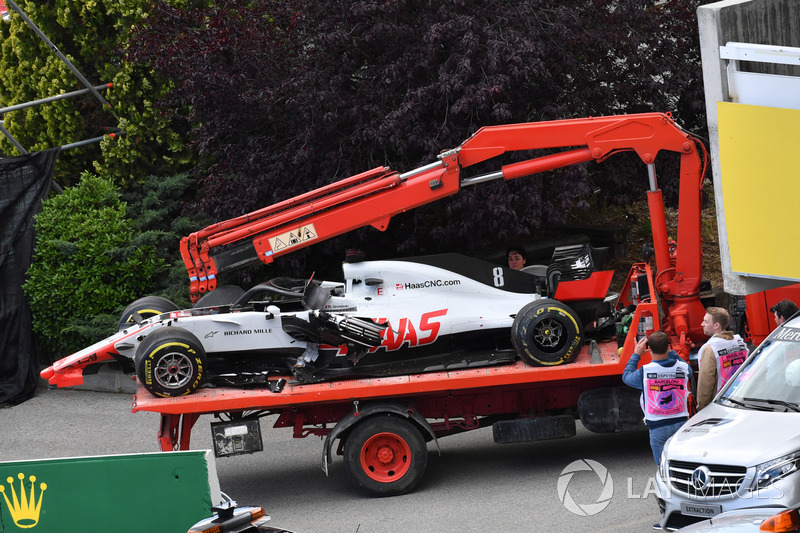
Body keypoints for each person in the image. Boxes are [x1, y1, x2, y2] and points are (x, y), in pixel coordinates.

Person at [622, 331, 692, 467]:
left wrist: (636, 354)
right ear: (668, 347)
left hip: (657, 426)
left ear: (649, 349)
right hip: (680, 422)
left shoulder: (645, 371)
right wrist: (672, 353)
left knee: (663, 468)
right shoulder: (683, 368)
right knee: (682, 467)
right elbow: (688, 369)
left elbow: (626, 377)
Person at [696, 307, 748, 411]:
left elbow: (705, 383)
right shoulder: (740, 343)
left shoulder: (710, 349)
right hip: (742, 400)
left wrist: (702, 408)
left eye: (706, 322)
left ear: (716, 325)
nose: (702, 324)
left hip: (720, 406)